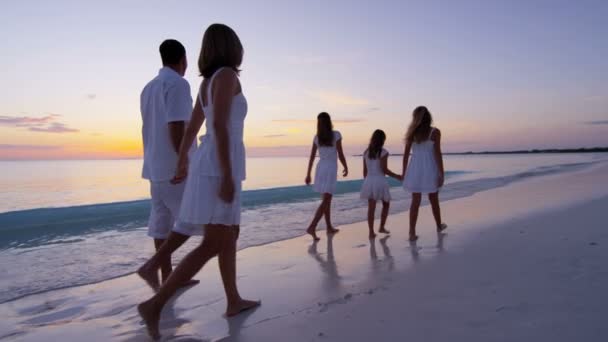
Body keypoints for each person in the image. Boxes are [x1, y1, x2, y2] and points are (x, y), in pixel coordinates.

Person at [138, 24, 259, 340]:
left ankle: (233, 299)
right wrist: (228, 174)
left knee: (228, 233)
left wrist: (182, 163)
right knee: (213, 242)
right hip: (221, 162)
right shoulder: (228, 77)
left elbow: (193, 127)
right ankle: (155, 304)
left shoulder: (208, 81)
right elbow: (217, 124)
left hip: (211, 160)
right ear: (232, 46)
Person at [138, 39, 201, 289]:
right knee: (191, 220)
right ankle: (156, 267)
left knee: (162, 223)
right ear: (183, 59)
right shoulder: (177, 84)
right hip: (174, 166)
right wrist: (183, 161)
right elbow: (176, 125)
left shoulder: (148, 88)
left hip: (154, 165)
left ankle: (167, 277)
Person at [402, 106, 447, 241]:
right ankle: (439, 225)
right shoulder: (435, 132)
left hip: (415, 168)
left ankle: (411, 232)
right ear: (429, 117)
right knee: (434, 199)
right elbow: (437, 154)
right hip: (430, 167)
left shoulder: (411, 133)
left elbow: (405, 156)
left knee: (415, 201)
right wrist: (441, 173)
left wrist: (404, 173)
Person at [305, 112, 348, 241]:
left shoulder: (317, 137)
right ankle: (312, 226)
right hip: (330, 169)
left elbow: (312, 157)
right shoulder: (336, 135)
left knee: (326, 199)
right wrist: (346, 166)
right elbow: (340, 153)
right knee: (326, 200)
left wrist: (308, 173)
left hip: (321, 168)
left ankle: (329, 227)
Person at [360, 129, 401, 239]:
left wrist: (367, 183)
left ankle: (371, 232)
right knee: (386, 204)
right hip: (379, 180)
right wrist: (397, 176)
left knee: (371, 208)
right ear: (382, 140)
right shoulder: (383, 152)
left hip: (369, 180)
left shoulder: (366, 152)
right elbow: (384, 170)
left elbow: (364, 172)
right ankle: (381, 227)